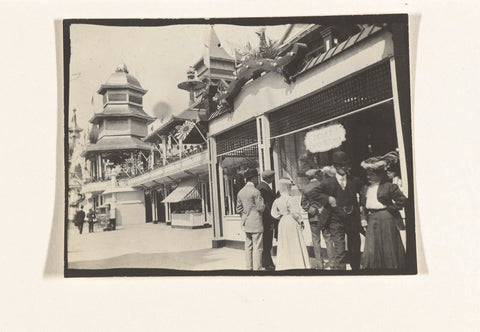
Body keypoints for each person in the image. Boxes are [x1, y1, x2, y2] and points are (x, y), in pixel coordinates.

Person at [314, 151, 364, 270]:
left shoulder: (354, 181)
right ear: (335, 167)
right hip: (335, 221)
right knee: (340, 251)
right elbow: (314, 194)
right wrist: (328, 199)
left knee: (355, 251)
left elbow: (365, 191)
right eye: (340, 166)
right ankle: (341, 276)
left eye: (345, 165)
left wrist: (362, 206)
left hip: (352, 220)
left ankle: (356, 274)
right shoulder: (328, 182)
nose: (343, 168)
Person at [359, 156, 407, 270]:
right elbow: (362, 206)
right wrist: (363, 218)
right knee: (371, 249)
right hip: (372, 220)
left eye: (371, 174)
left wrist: (392, 208)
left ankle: (391, 270)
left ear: (379, 175)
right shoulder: (365, 188)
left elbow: (403, 200)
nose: (368, 177)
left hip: (386, 218)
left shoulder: (389, 187)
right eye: (367, 174)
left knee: (388, 247)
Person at [271, 178, 311, 270]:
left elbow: (273, 213)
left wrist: (280, 216)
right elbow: (295, 213)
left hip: (283, 222)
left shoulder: (277, 200)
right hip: (291, 221)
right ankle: (297, 263)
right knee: (294, 241)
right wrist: (301, 221)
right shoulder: (291, 199)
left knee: (284, 243)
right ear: (287, 187)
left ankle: (286, 263)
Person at [236, 168, 265, 271]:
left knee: (248, 246)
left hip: (246, 222)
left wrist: (245, 216)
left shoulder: (240, 192)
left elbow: (238, 209)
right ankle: (258, 267)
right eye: (256, 177)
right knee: (258, 246)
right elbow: (261, 207)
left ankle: (249, 267)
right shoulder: (256, 192)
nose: (257, 180)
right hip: (256, 222)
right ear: (253, 178)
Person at [301, 169, 330, 269]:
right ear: (316, 175)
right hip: (325, 216)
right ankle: (332, 263)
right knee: (328, 238)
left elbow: (303, 204)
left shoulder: (305, 188)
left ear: (309, 177)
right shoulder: (323, 185)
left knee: (316, 239)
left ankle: (319, 264)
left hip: (313, 218)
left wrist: (311, 209)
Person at [256, 169, 277, 271]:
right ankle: (267, 263)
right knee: (267, 242)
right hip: (266, 220)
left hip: (264, 220)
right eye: (272, 177)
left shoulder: (262, 186)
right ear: (268, 178)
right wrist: (271, 221)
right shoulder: (263, 188)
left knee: (266, 242)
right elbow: (267, 207)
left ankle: (267, 262)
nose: (273, 179)